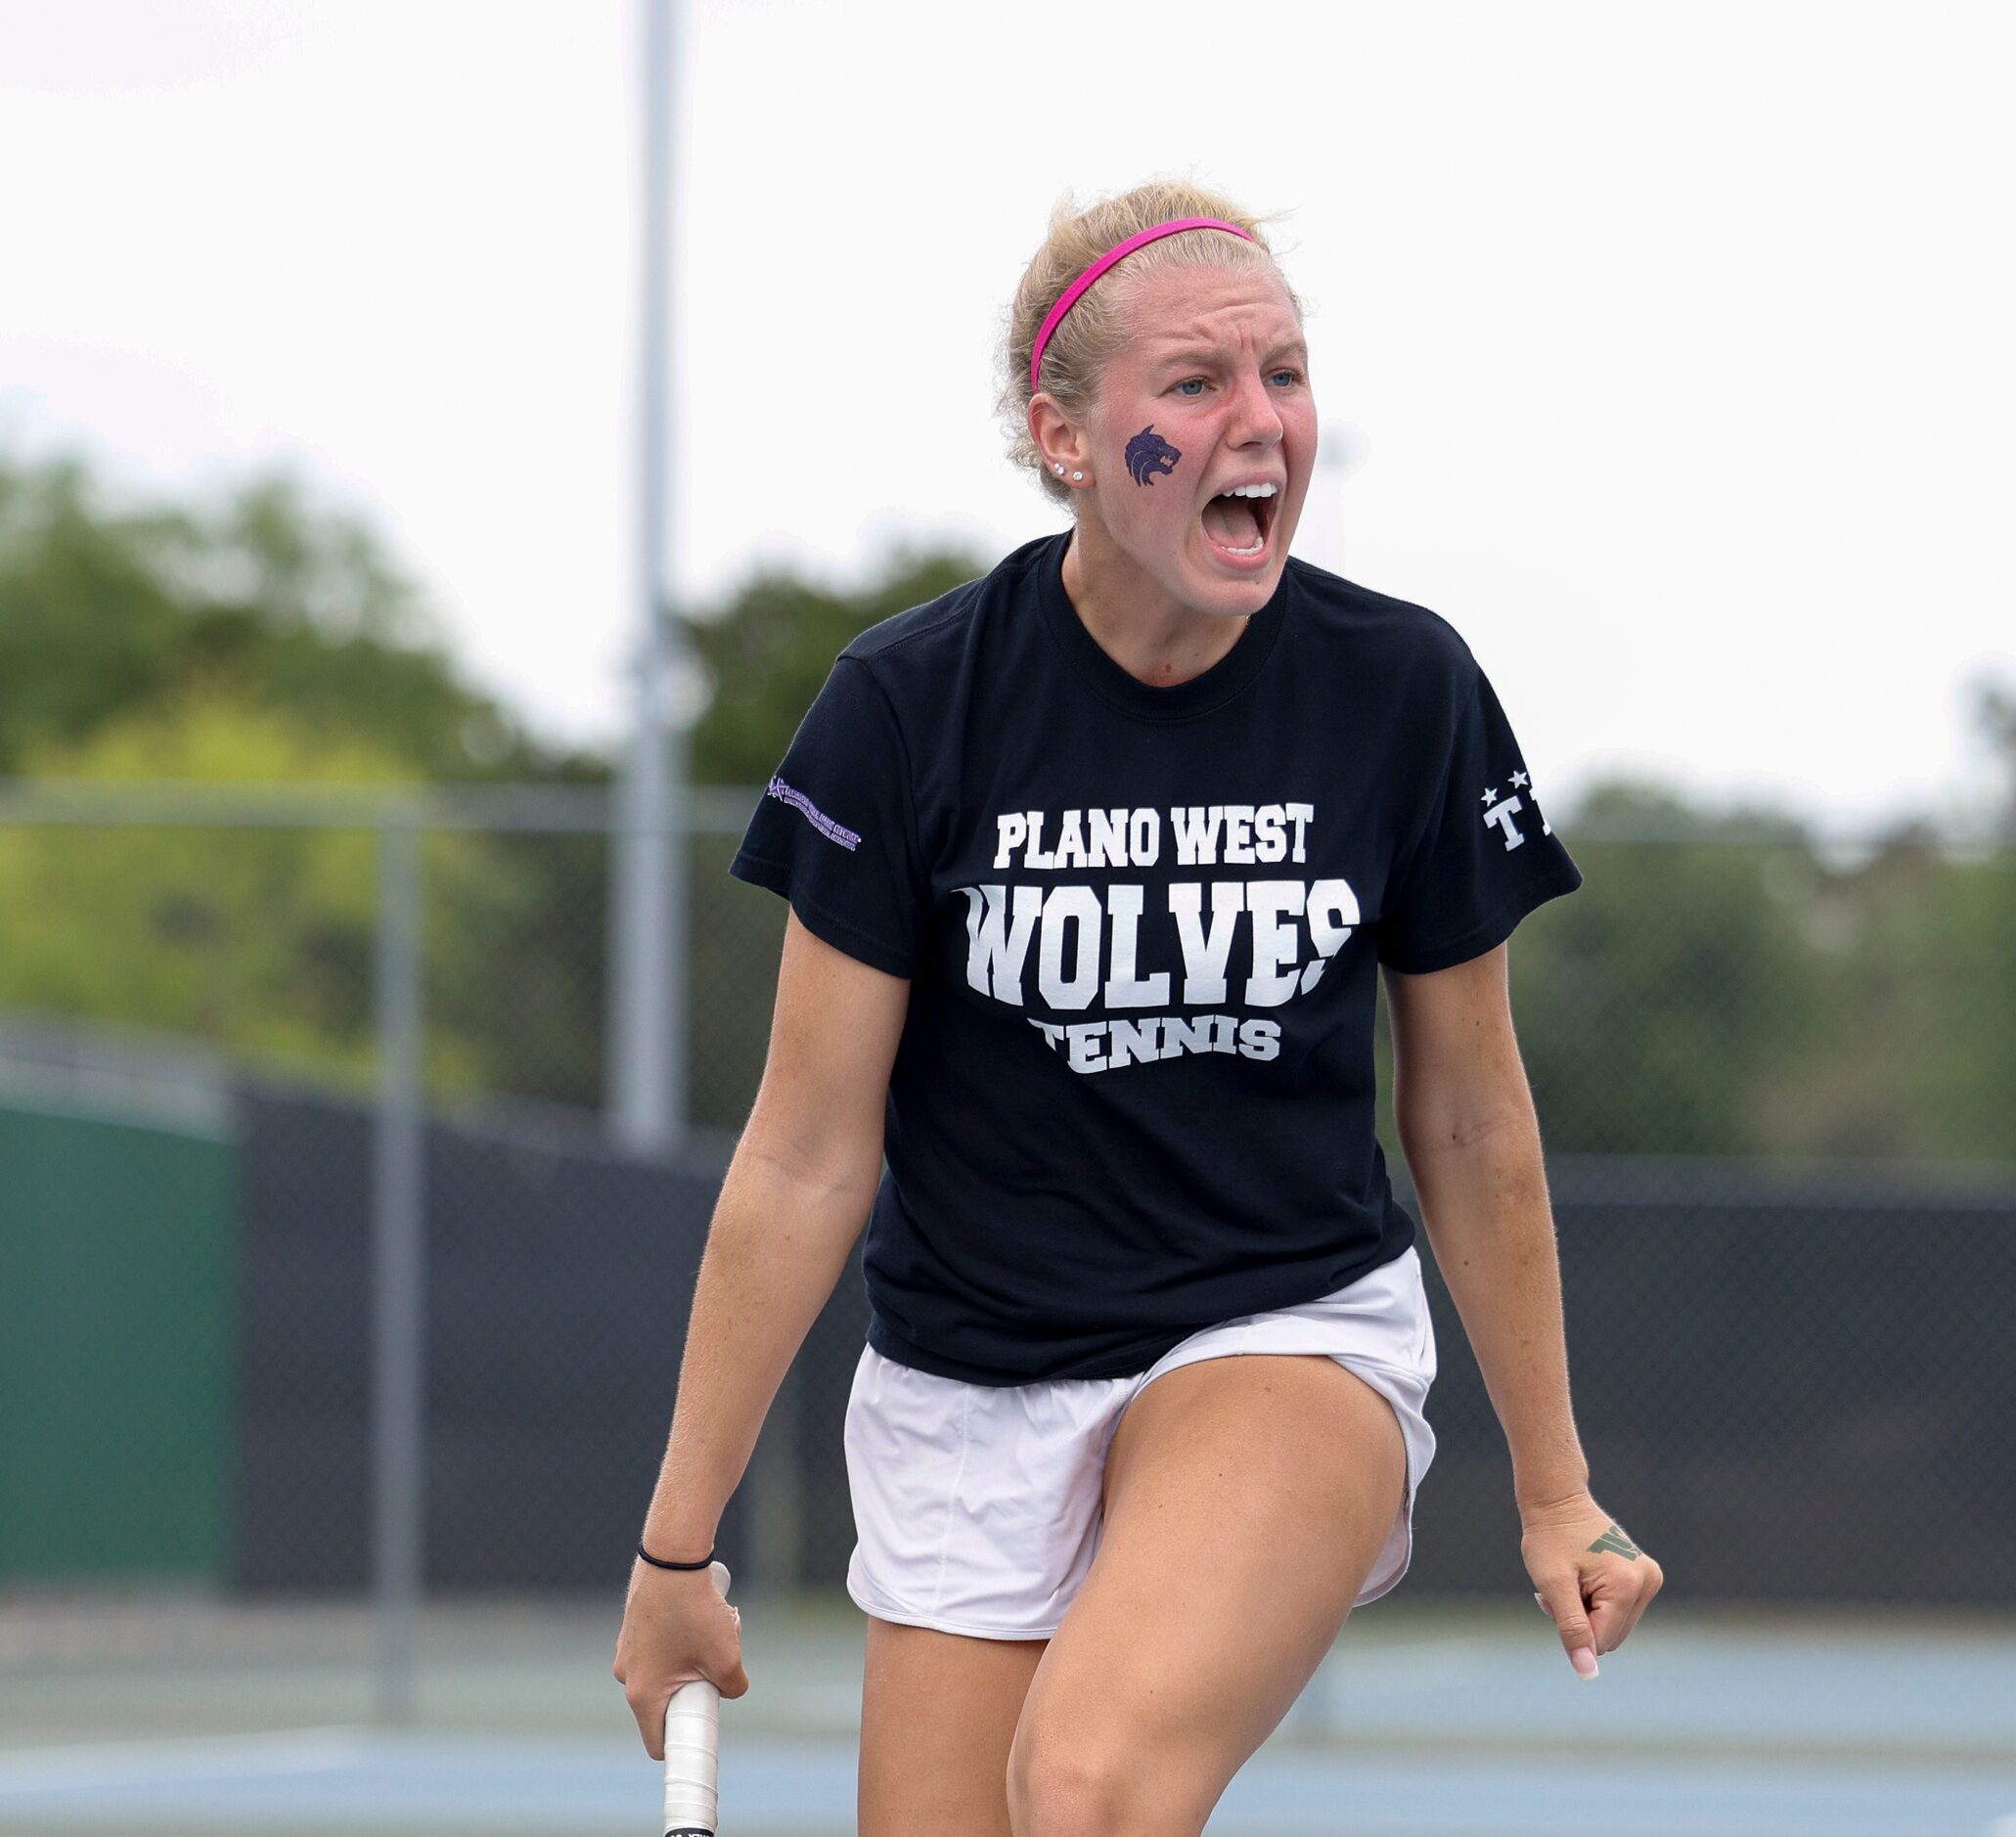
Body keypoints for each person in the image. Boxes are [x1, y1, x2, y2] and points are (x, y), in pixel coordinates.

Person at [612, 178, 1662, 1837]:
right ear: (1065, 435)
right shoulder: (907, 705)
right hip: (971, 1380)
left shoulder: (1403, 689)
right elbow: (809, 1152)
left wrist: (1556, 1484)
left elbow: (1465, 1110)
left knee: (1088, 1784)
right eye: (1194, 385)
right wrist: (678, 1545)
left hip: (1280, 1331)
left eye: (1286, 374)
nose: (1263, 422)